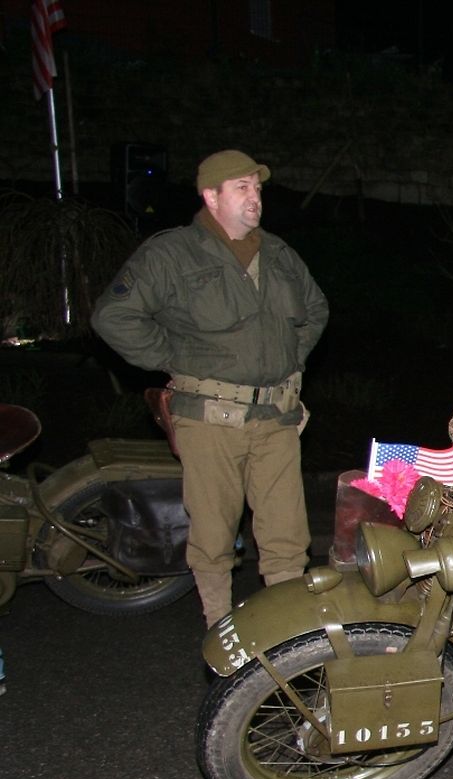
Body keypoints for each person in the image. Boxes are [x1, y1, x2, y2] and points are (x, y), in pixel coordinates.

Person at [92, 149, 329, 627]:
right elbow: (113, 316)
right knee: (214, 534)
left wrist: (290, 357)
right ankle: (219, 627)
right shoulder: (172, 253)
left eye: (257, 188)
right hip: (211, 417)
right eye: (241, 187)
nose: (254, 197)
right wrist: (171, 358)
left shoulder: (279, 255)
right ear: (211, 196)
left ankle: (286, 636)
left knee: (287, 537)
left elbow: (316, 310)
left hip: (277, 417)